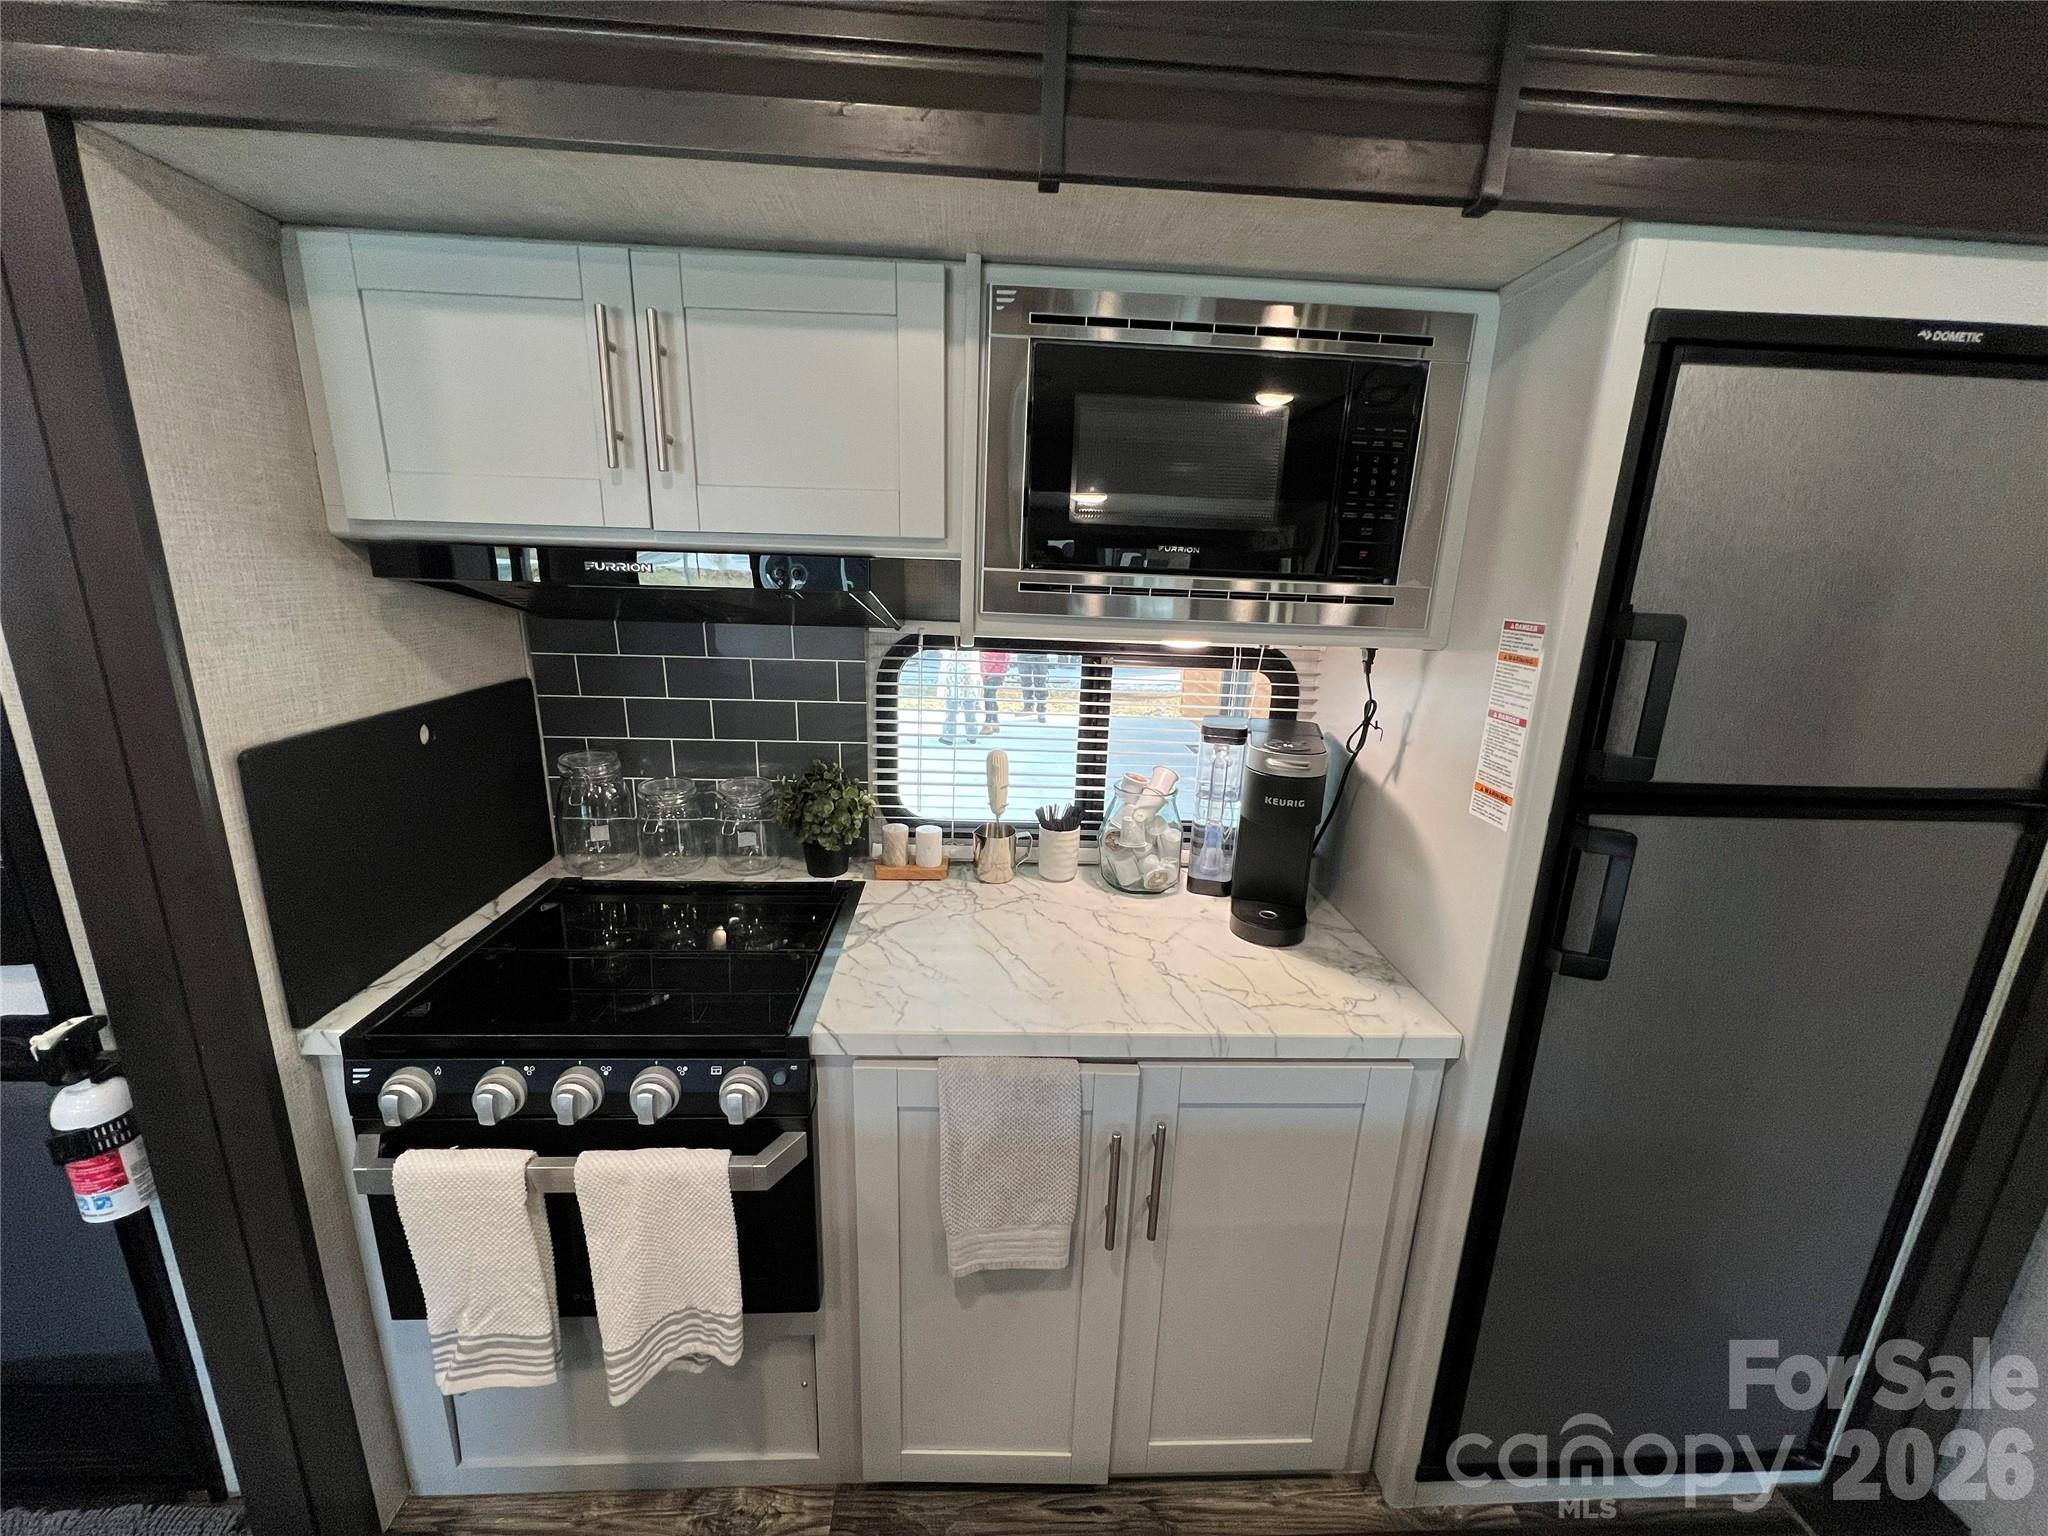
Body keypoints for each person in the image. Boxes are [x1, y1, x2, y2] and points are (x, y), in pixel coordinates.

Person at [939, 648, 981, 744]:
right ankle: (972, 735)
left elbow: (943, 653)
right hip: (968, 681)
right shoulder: (972, 650)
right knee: (970, 711)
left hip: (954, 681)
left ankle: (948, 736)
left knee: (951, 711)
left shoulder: (950, 650)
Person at [978, 649, 1010, 735]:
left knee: (989, 697)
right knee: (990, 696)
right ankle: (995, 722)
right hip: (989, 672)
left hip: (994, 672)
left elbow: (1003, 657)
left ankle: (989, 723)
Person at [1015, 651, 1050, 722]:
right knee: (1025, 682)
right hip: (1023, 655)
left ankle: (1041, 710)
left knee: (1040, 683)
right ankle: (1028, 707)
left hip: (1039, 655)